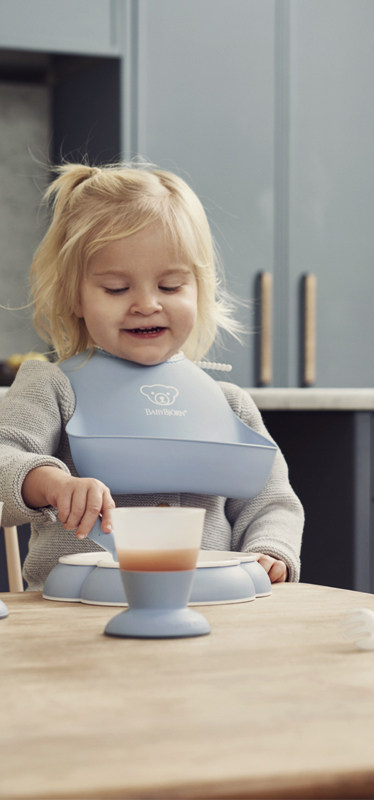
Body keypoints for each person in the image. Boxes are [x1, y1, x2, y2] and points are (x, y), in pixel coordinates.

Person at [0, 162, 303, 590]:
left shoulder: (229, 404)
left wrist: (270, 551)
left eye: (171, 286)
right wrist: (51, 483)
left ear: (199, 289)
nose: (146, 304)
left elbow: (273, 503)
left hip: (211, 604)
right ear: (75, 296)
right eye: (117, 289)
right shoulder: (51, 386)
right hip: (75, 608)